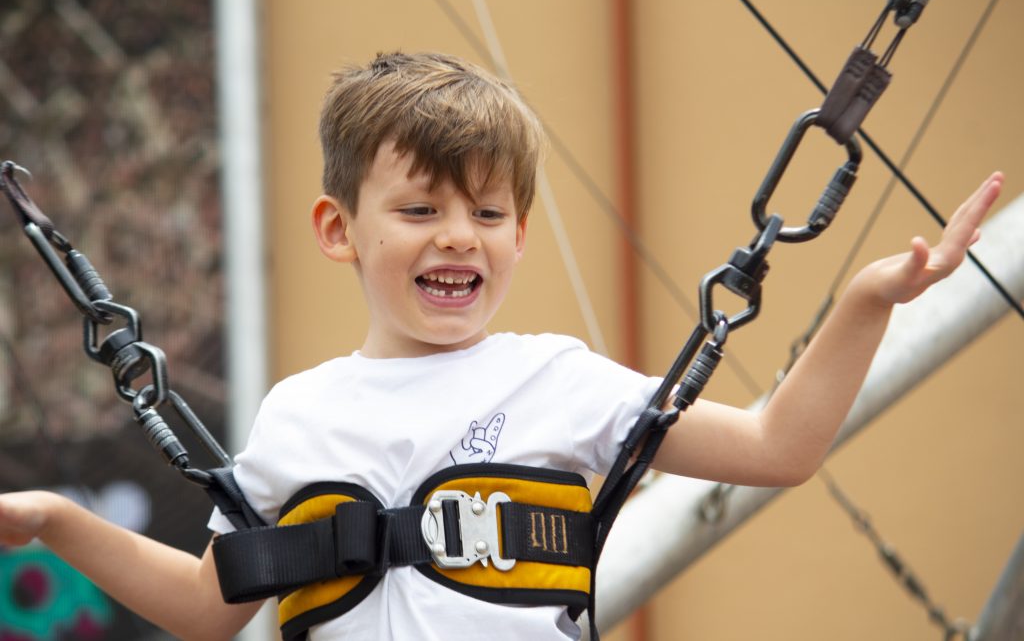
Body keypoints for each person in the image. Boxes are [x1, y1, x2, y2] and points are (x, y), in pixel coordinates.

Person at [0, 52, 1004, 641]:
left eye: (488, 210)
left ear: (519, 234)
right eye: (419, 208)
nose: (457, 235)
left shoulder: (556, 380)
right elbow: (205, 603)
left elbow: (777, 445)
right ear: (338, 229)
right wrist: (51, 517)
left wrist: (871, 298)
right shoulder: (301, 414)